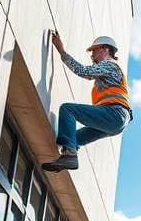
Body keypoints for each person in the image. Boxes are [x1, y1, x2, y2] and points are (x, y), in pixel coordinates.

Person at [42, 32, 133, 172]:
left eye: (94, 50)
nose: (92, 55)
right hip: (116, 121)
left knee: (67, 109)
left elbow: (82, 71)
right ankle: (68, 157)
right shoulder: (109, 70)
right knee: (74, 139)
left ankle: (70, 155)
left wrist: (62, 51)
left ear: (105, 49)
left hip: (114, 114)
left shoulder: (109, 65)